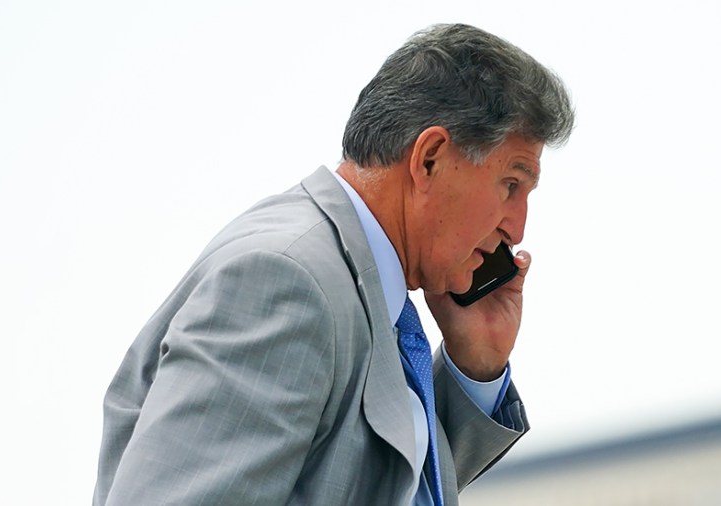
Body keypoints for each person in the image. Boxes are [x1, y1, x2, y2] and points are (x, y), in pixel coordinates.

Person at [93, 23, 574, 505]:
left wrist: (475, 365)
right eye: (511, 185)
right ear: (429, 159)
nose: (518, 228)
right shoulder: (288, 281)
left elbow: (362, 481)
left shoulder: (354, 284)